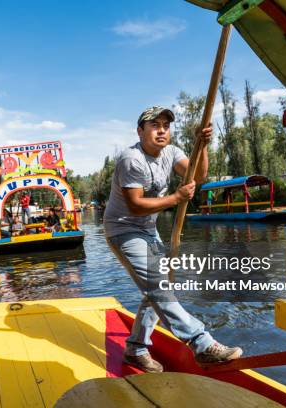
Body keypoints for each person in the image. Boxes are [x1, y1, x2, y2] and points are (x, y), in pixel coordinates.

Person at [103, 106, 242, 373]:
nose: (161, 130)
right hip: (123, 229)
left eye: (166, 125)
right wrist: (176, 198)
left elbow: (198, 176)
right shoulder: (131, 159)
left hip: (148, 228)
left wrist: (201, 145)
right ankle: (202, 343)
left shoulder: (172, 151)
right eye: (154, 125)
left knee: (159, 287)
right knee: (158, 286)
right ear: (140, 131)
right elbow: (135, 205)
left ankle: (135, 348)